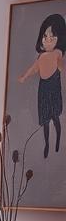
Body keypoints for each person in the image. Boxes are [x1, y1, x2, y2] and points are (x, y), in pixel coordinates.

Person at [18, 12, 66, 158]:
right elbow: (34, 68)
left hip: (53, 89)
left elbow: (61, 67)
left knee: (55, 118)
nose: (48, 40)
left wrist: (61, 68)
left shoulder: (57, 53)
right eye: (45, 36)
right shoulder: (41, 56)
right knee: (45, 120)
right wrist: (24, 76)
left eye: (53, 37)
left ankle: (58, 140)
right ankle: (47, 144)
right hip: (43, 89)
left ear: (59, 39)